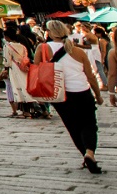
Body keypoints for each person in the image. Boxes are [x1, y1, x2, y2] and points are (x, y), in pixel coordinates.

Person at [43, 20, 104, 173]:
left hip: (60, 94)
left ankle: (85, 154)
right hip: (82, 90)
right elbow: (90, 76)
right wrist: (98, 95)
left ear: (49, 33)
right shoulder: (77, 50)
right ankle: (90, 153)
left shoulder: (43, 48)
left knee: (73, 127)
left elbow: (38, 70)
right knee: (89, 124)